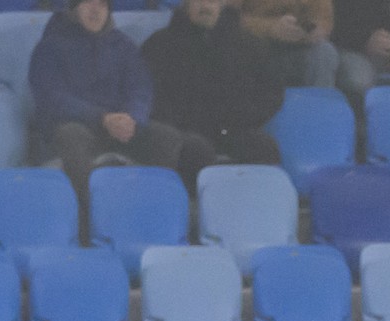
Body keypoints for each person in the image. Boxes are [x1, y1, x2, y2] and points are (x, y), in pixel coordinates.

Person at [29, 0, 218, 205]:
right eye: (88, 3)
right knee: (71, 136)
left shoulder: (123, 45)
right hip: (78, 125)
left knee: (166, 137)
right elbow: (52, 98)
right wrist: (102, 118)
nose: (95, 10)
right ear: (74, 8)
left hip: (120, 127)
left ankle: (152, 206)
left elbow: (141, 88)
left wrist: (132, 118)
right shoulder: (50, 47)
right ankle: (91, 215)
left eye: (102, 4)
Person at [141, 0, 286, 165]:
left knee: (264, 148)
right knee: (194, 151)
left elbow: (271, 91)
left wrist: (242, 117)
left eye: (211, 1)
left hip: (234, 129)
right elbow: (147, 95)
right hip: (183, 132)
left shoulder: (249, 45)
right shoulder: (159, 45)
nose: (206, 6)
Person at [238, 0, 340, 88]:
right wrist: (271, 28)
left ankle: (319, 105)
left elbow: (324, 20)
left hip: (300, 48)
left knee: (325, 52)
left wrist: (314, 31)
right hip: (257, 46)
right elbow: (230, 19)